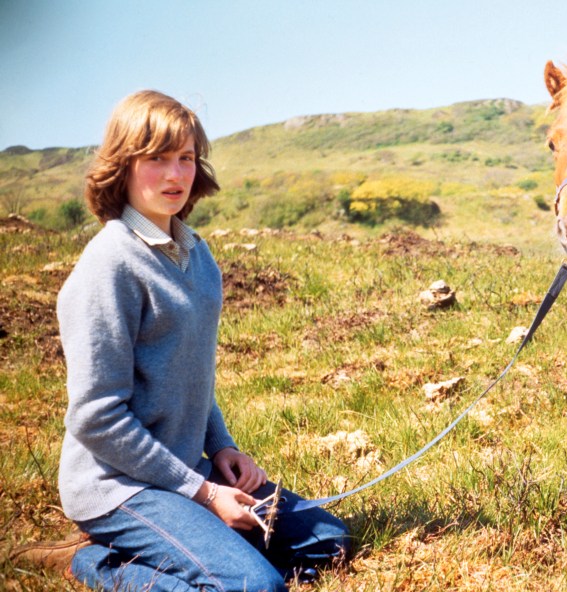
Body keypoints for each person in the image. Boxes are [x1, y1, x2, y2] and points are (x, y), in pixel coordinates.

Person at [14, 90, 350, 591]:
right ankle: (90, 562)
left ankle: (194, 546)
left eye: (186, 158)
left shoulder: (198, 257)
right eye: (156, 160)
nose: (175, 175)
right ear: (122, 167)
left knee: (329, 542)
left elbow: (186, 372)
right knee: (254, 588)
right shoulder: (108, 266)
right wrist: (204, 495)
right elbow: (95, 416)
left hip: (183, 470)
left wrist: (222, 449)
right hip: (118, 487)